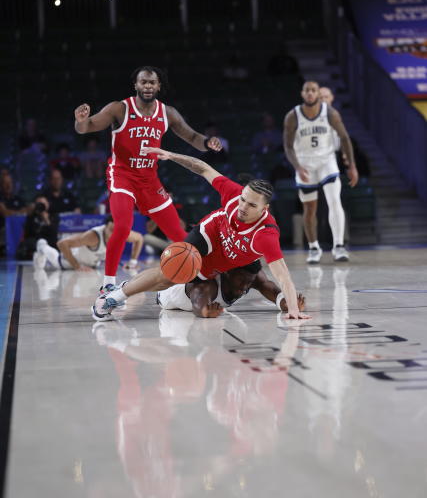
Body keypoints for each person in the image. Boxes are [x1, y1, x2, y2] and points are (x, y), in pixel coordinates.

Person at [92, 146, 311, 321]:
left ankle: (125, 288)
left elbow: (282, 274)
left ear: (265, 210)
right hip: (210, 235)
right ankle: (113, 298)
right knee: (169, 274)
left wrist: (292, 308)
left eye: (251, 205)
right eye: (243, 199)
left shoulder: (265, 235)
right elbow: (204, 168)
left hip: (228, 258)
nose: (243, 206)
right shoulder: (234, 195)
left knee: (250, 278)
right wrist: (171, 155)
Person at [74, 65, 222, 295]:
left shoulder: (167, 113)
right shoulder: (119, 108)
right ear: (136, 85)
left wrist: (207, 142)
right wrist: (81, 121)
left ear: (158, 86)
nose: (148, 86)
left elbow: (191, 136)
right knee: (122, 226)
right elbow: (88, 127)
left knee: (180, 236)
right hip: (122, 175)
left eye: (152, 82)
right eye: (143, 82)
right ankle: (108, 283)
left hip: (149, 179)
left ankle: (205, 276)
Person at [283, 80, 359, 264]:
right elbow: (287, 145)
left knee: (335, 202)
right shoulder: (293, 115)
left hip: (327, 162)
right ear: (302, 93)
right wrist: (297, 167)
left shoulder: (330, 113)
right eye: (307, 90)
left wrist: (352, 166)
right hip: (305, 164)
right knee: (309, 210)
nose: (310, 93)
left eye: (313, 90)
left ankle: (339, 246)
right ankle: (314, 247)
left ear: (318, 94)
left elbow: (345, 138)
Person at [157, 261, 305, 318]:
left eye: (249, 282)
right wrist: (205, 312)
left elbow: (267, 286)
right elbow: (197, 302)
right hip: (169, 295)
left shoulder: (249, 276)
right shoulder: (208, 285)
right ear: (227, 272)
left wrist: (284, 302)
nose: (245, 286)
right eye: (241, 280)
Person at [33, 215, 143, 272]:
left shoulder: (123, 233)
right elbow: (62, 244)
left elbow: (139, 239)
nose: (114, 233)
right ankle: (42, 245)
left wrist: (132, 262)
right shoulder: (93, 236)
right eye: (111, 230)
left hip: (91, 266)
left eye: (117, 230)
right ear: (105, 227)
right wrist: (77, 266)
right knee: (54, 257)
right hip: (68, 262)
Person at [17, 194, 59, 260]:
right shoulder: (31, 216)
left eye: (43, 203)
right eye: (39, 204)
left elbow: (54, 233)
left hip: (49, 242)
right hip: (35, 243)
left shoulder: (54, 216)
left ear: (47, 204)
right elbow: (27, 234)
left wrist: (47, 220)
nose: (41, 206)